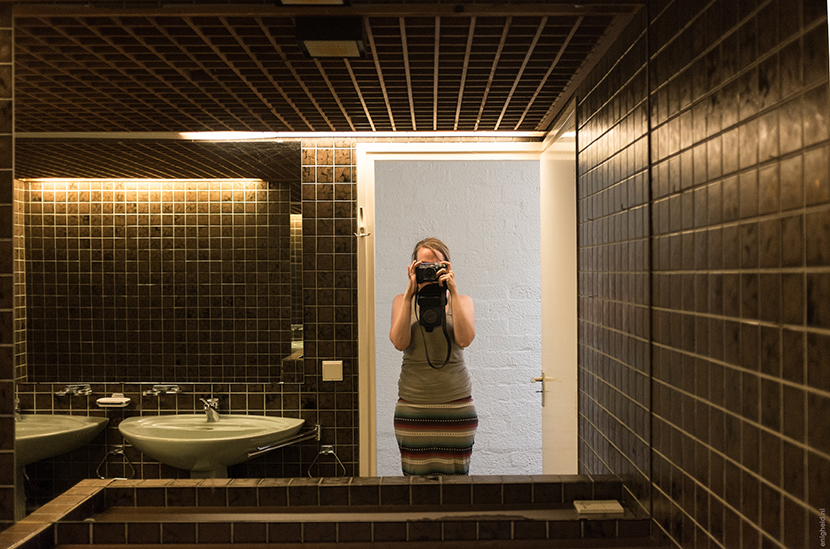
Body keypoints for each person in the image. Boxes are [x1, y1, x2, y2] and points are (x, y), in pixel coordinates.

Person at [389, 237, 478, 475]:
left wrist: (454, 292)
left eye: (435, 265)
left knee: (457, 482)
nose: (429, 270)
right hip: (413, 405)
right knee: (414, 482)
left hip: (456, 404)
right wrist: (409, 295)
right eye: (423, 265)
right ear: (413, 268)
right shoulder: (402, 301)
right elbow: (399, 343)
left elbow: (464, 339)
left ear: (447, 267)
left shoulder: (463, 301)